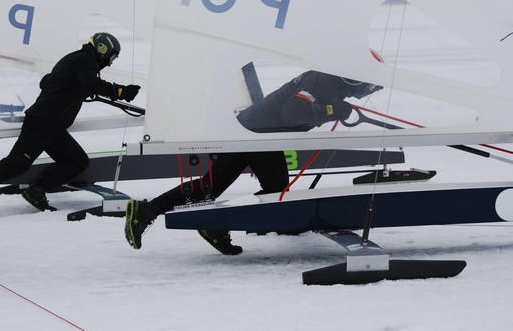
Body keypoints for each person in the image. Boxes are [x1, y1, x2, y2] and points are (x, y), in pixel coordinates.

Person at [125, 63, 383, 255]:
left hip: (247, 129)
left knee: (210, 187)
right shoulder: (324, 81)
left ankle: (148, 211)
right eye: (369, 87)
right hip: (259, 135)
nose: (365, 93)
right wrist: (331, 111)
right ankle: (215, 221)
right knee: (276, 191)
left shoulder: (329, 81)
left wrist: (331, 110)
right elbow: (292, 113)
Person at [0, 32, 140, 217]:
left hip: (52, 126)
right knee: (15, 164)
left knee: (77, 161)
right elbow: (89, 83)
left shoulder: (75, 59)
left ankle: (37, 191)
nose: (109, 62)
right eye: (111, 57)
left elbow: (47, 81)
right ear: (102, 49)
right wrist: (119, 91)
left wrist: (76, 89)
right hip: (43, 122)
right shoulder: (84, 61)